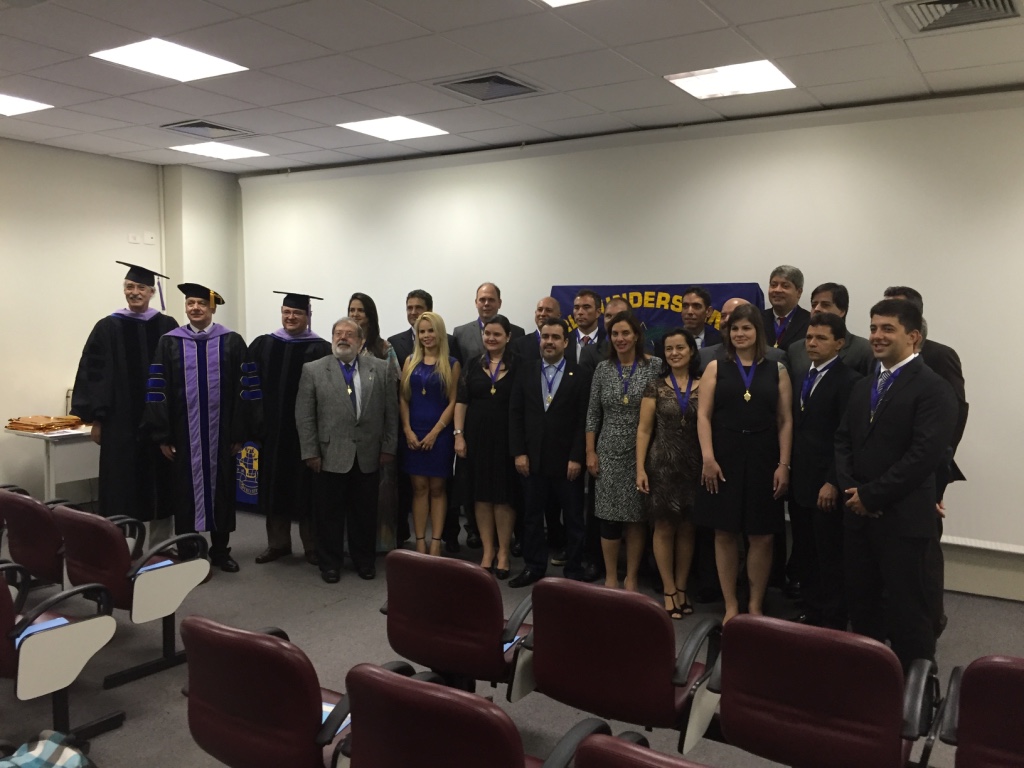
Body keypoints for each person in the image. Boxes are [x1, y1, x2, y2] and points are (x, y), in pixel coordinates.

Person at [835, 299, 956, 671]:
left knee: (910, 613)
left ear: (913, 336)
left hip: (903, 522)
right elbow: (843, 441)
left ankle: (915, 691)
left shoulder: (934, 389)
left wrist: (871, 495)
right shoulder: (863, 386)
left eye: (888, 328)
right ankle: (870, 681)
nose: (877, 336)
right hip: (859, 520)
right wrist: (853, 492)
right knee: (863, 607)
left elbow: (923, 456)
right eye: (873, 328)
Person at [695, 303, 793, 621]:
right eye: (734, 328)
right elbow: (703, 416)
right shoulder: (715, 367)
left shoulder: (777, 369)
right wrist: (708, 458)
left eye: (746, 328)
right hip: (724, 457)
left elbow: (785, 421)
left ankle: (754, 605)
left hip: (764, 457)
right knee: (724, 533)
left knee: (762, 535)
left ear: (757, 331)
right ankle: (730, 605)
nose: (739, 334)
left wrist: (783, 464)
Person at [143, 283, 248, 572]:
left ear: (212, 307)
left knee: (221, 492)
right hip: (183, 435)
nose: (195, 308)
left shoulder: (232, 341)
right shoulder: (169, 342)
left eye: (201, 303)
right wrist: (163, 435)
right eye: (190, 303)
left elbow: (246, 390)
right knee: (184, 493)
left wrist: (239, 433)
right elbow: (157, 390)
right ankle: (188, 551)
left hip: (221, 435)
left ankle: (220, 552)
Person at [71, 261, 177, 541]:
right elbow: (93, 375)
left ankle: (161, 546)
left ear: (152, 292)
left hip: (159, 423)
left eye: (141, 287)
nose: (134, 292)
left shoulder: (167, 326)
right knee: (122, 485)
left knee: (162, 482)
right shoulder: (107, 327)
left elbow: (179, 374)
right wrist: (97, 420)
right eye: (129, 286)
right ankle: (121, 546)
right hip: (120, 424)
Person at [295, 317, 399, 583]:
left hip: (368, 454)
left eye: (349, 334)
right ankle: (330, 563)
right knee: (328, 514)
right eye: (338, 333)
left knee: (364, 513)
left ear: (360, 341)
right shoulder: (314, 370)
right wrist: (310, 452)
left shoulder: (380, 368)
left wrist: (389, 446)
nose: (343, 338)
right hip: (329, 455)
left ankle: (364, 561)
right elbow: (305, 416)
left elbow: (391, 411)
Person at [244, 291, 331, 566]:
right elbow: (249, 385)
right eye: (286, 312)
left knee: (308, 489)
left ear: (308, 316)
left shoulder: (321, 348)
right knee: (275, 487)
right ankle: (278, 544)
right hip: (272, 431)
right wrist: (256, 424)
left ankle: (312, 546)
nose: (291, 317)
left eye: (297, 313)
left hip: (306, 434)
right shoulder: (264, 344)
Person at [789, 312, 862, 629]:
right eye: (809, 337)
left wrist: (833, 481)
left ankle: (832, 619)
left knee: (829, 555)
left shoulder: (850, 381)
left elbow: (847, 438)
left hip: (826, 484)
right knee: (805, 550)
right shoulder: (802, 375)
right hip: (800, 479)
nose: (812, 343)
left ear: (839, 343)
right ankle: (811, 609)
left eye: (821, 338)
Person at [508, 318, 591, 587]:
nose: (550, 342)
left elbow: (583, 420)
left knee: (574, 519)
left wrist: (577, 457)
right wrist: (519, 452)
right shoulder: (526, 370)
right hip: (532, 459)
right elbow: (515, 413)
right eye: (545, 337)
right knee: (532, 517)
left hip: (567, 462)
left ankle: (574, 569)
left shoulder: (580, 374)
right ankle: (534, 567)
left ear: (566, 342)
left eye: (556, 337)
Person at [585, 311, 663, 591]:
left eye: (625, 333)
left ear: (637, 336)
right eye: (615, 334)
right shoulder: (603, 369)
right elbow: (592, 414)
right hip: (608, 450)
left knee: (636, 518)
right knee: (608, 517)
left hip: (642, 451)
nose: (620, 339)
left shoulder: (654, 366)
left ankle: (631, 577)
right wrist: (590, 452)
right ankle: (610, 576)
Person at [386, 288, 462, 551]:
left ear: (439, 333)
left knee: (438, 488)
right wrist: (407, 429)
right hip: (414, 432)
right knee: (418, 488)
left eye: (431, 331)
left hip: (439, 434)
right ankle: (420, 541)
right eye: (422, 331)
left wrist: (436, 432)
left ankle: (436, 542)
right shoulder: (409, 360)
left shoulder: (452, 363)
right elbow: (403, 398)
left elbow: (454, 402)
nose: (426, 335)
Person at [636, 327, 701, 618]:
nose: (675, 353)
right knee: (663, 527)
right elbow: (644, 430)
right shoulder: (655, 386)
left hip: (694, 468)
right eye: (669, 349)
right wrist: (640, 468)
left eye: (680, 348)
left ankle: (683, 586)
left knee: (687, 528)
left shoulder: (705, 384)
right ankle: (669, 589)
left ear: (691, 351)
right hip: (661, 467)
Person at [454, 315, 520, 578]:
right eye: (488, 334)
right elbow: (461, 401)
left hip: (506, 440)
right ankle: (488, 550)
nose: (491, 338)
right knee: (480, 496)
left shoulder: (520, 366)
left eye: (497, 334)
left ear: (508, 337)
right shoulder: (472, 364)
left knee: (503, 497)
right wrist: (459, 435)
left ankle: (503, 552)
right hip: (476, 439)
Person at [349, 292, 400, 551]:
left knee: (380, 492)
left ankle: (379, 543)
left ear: (370, 315)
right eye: (352, 310)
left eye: (360, 310)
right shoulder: (343, 345)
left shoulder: (383, 348)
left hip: (376, 431)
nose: (355, 314)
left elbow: (394, 390)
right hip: (348, 433)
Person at [785, 283, 873, 381]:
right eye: (814, 305)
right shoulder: (795, 349)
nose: (817, 309)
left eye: (825, 305)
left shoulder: (863, 349)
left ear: (842, 311)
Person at [700, 298, 786, 373]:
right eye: (723, 316)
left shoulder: (776, 358)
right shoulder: (704, 357)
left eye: (734, 315)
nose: (727, 320)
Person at [387, 289, 463, 367]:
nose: (413, 312)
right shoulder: (394, 343)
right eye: (410, 308)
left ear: (430, 310)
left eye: (418, 308)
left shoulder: (449, 341)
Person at [452, 282, 526, 362]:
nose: (486, 304)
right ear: (476, 303)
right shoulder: (460, 334)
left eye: (491, 300)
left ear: (499, 303)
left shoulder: (517, 333)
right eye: (482, 300)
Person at [761, 265, 810, 351]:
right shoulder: (757, 318)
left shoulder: (810, 321)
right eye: (773, 285)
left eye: (785, 286)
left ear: (799, 292)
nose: (777, 290)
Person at [580, 297, 630, 373]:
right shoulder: (589, 353)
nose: (612, 320)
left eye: (619, 316)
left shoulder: (644, 351)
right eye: (608, 316)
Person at [512, 296, 561, 360]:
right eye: (540, 310)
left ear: (558, 315)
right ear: (535, 313)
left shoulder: (569, 343)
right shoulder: (520, 344)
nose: (543, 314)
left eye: (548, 310)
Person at [567, 289, 605, 365]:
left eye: (586, 307)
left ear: (598, 312)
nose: (580, 312)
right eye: (576, 308)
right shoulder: (565, 340)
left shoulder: (608, 340)